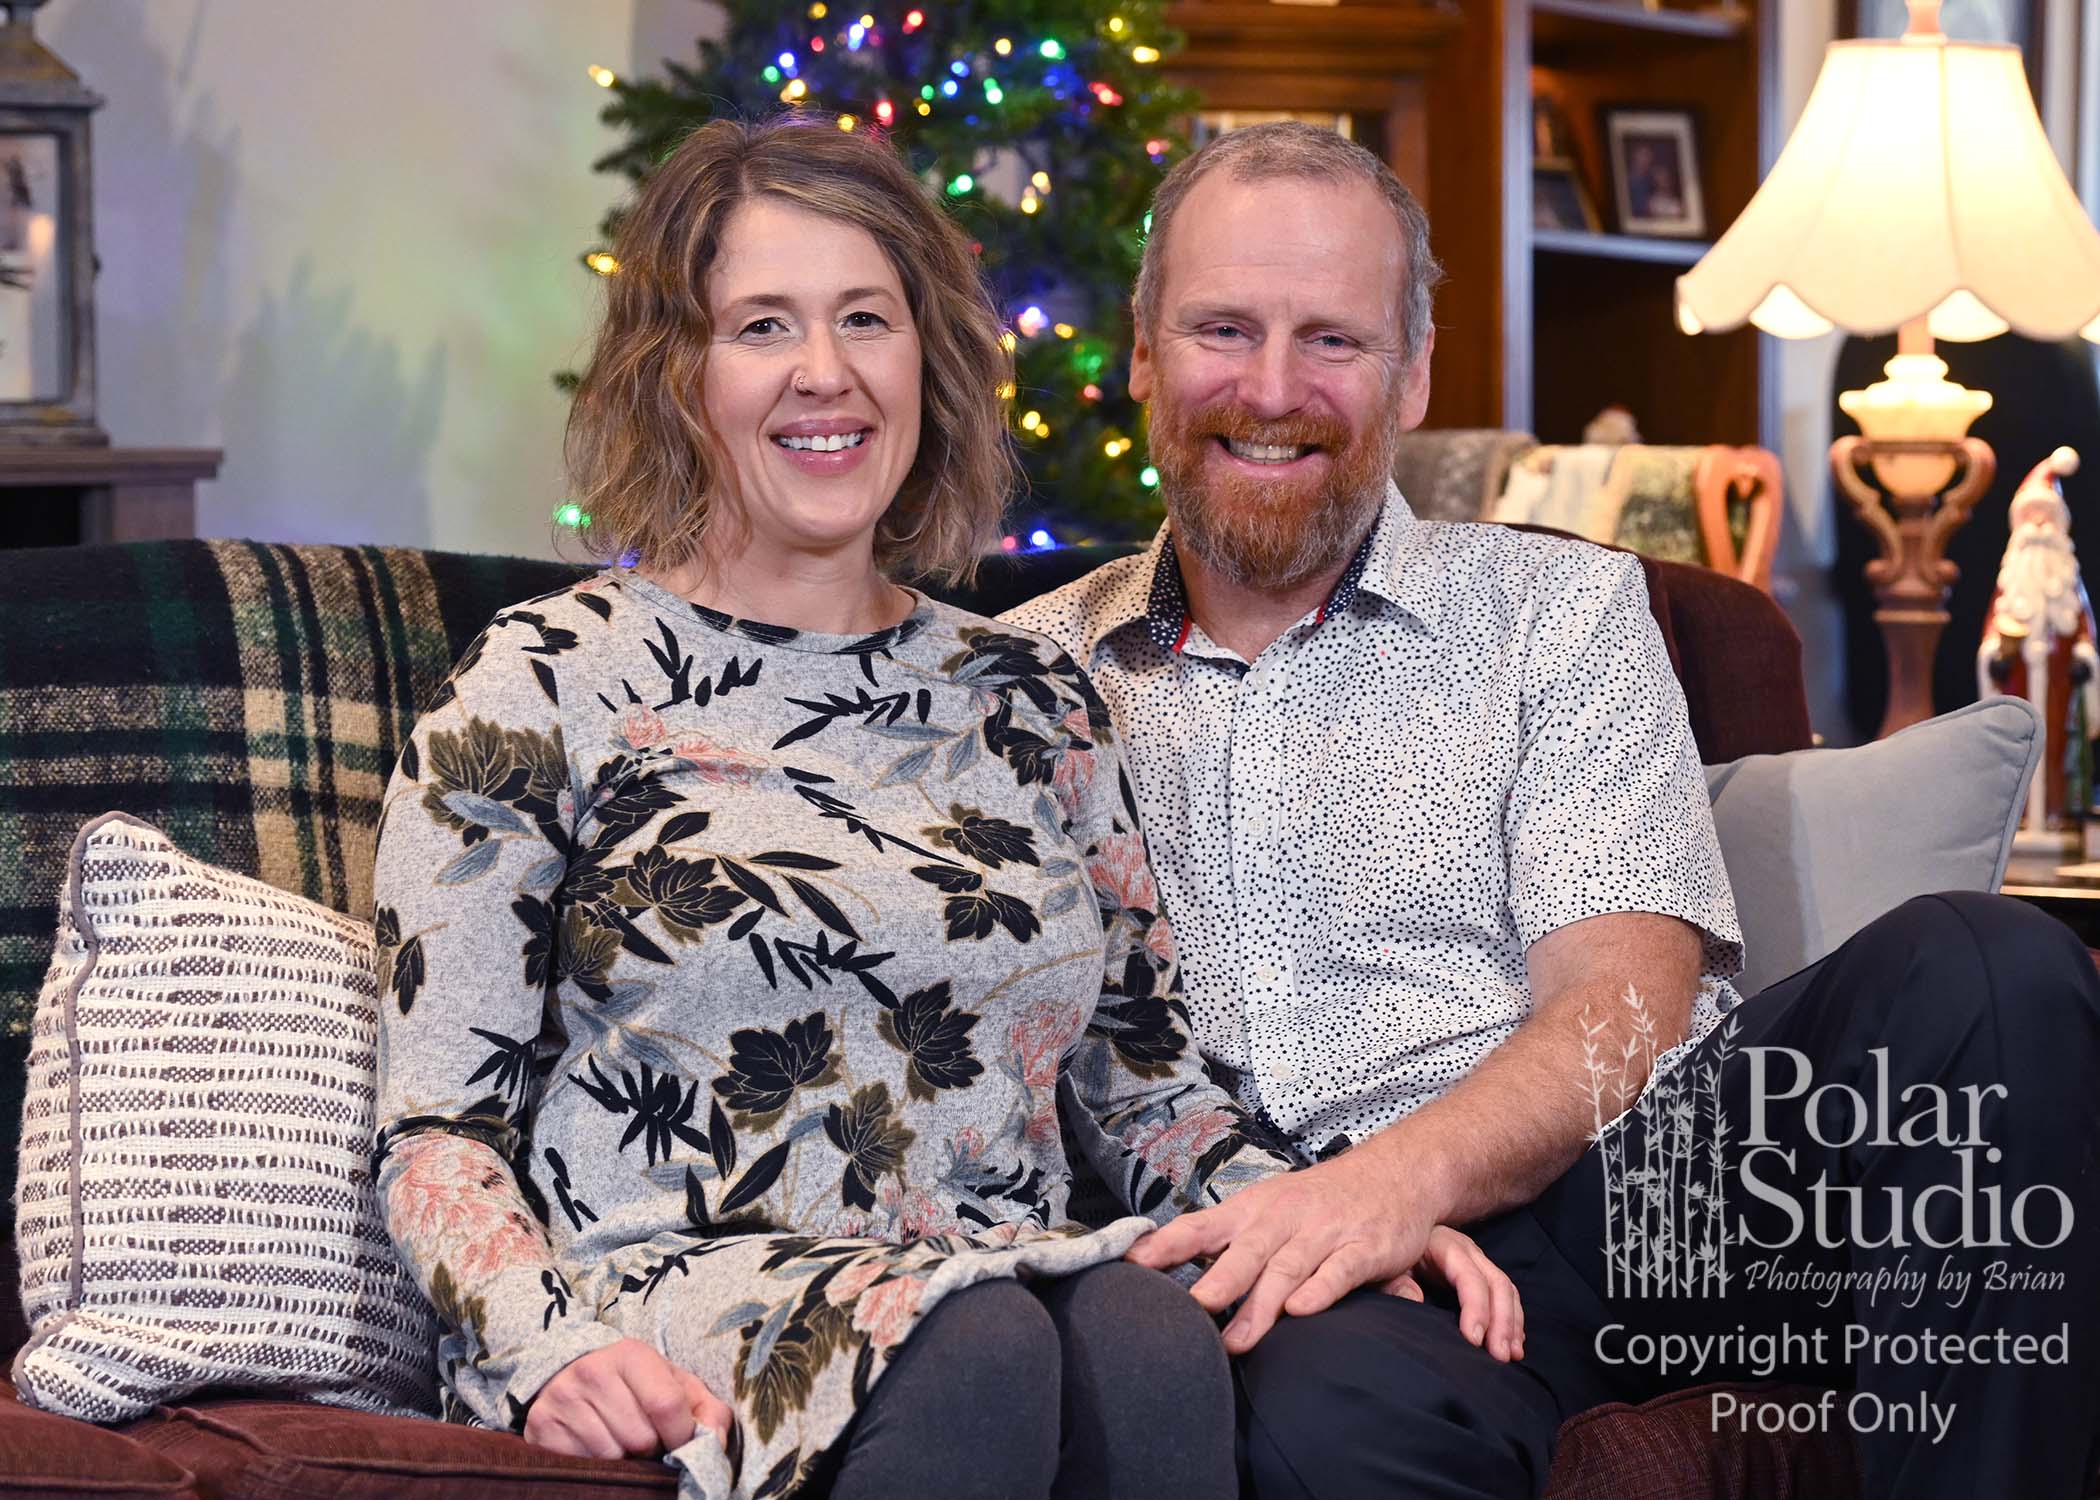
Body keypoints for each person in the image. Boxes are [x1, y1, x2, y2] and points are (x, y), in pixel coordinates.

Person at [370, 115, 1516, 1500]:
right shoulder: (543, 681)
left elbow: (1143, 1090)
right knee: (978, 1350)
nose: (827, 371)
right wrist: (544, 1351)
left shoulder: (1030, 694)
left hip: (994, 1276)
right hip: (667, 1302)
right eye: (762, 326)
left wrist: (1346, 1212)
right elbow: (437, 1131)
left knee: (1148, 1337)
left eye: (867, 318)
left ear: (928, 359)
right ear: (676, 374)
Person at [1004, 120, 2100, 1499]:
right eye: (1224, 330)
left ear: (1413, 375)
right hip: (1318, 1262)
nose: (1272, 389)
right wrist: (1326, 1216)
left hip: (1636, 1195)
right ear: (1145, 359)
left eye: (1333, 340)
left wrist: (1397, 1181)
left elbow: (1625, 1000)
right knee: (1310, 1417)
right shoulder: (1020, 679)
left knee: (1988, 969)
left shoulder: (1560, 609)